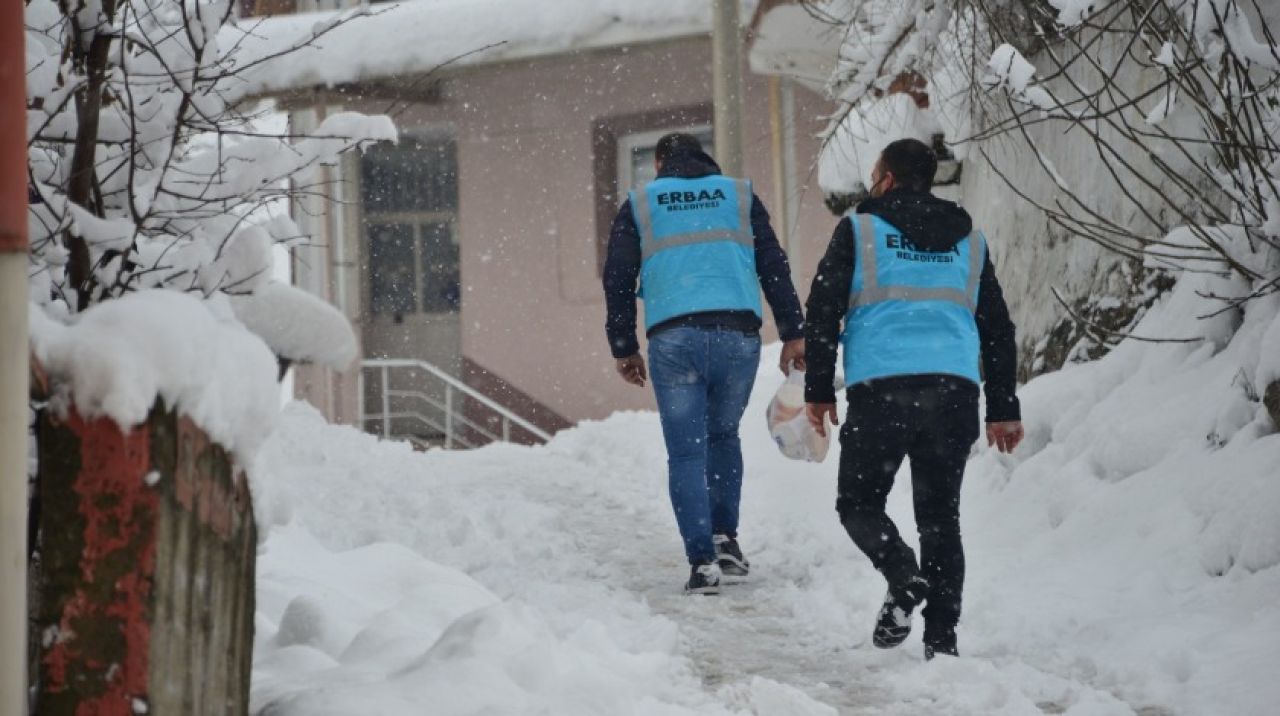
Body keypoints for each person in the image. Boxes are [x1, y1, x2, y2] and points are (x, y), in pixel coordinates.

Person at [803, 138, 1024, 658]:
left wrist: (817, 389)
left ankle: (903, 574)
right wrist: (1002, 407)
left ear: (886, 178)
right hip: (953, 394)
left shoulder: (858, 230)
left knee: (858, 502)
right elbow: (997, 329)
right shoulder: (969, 238)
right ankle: (942, 644)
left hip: (883, 390)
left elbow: (822, 312)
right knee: (941, 518)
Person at [603, 132, 805, 595]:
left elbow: (617, 277)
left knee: (687, 452)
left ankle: (702, 562)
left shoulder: (641, 203)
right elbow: (773, 264)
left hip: (674, 338)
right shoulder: (738, 195)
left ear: (658, 165)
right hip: (737, 336)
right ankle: (725, 540)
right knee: (722, 436)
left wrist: (623, 345)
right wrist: (794, 331)